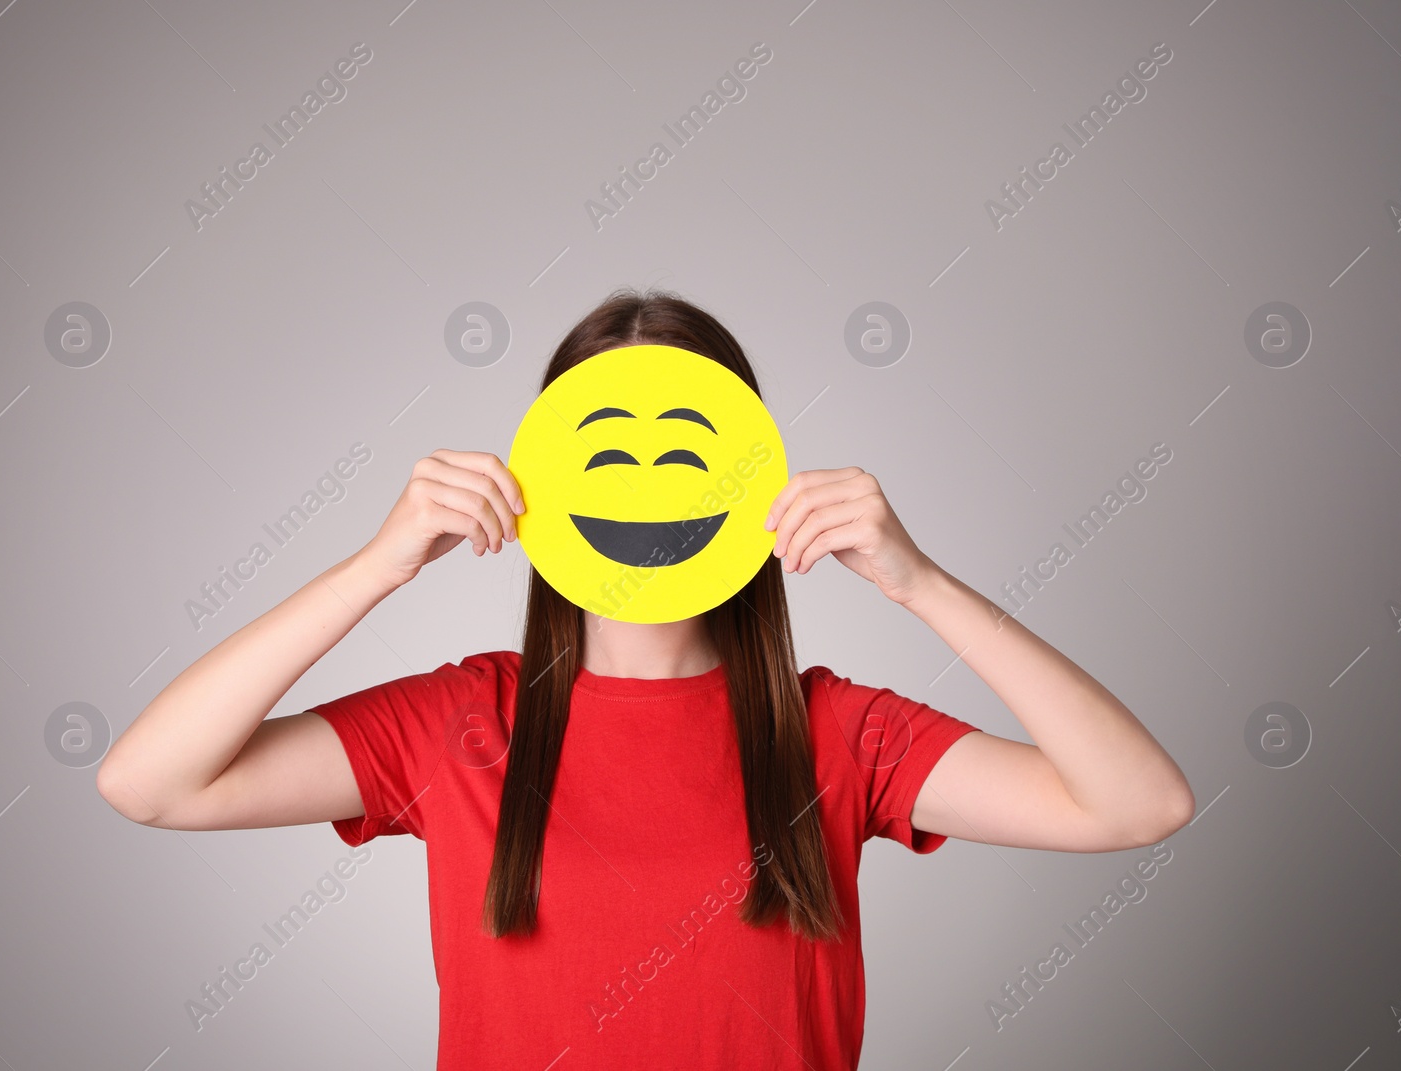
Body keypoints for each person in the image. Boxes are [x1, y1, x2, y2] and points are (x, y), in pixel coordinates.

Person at [97, 288, 1195, 1070]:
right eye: (606, 450)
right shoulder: (457, 723)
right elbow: (151, 783)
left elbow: (1138, 803)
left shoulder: (839, 734)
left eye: (684, 452)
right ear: (546, 474)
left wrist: (922, 583)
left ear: (746, 474)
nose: (648, 482)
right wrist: (376, 567)